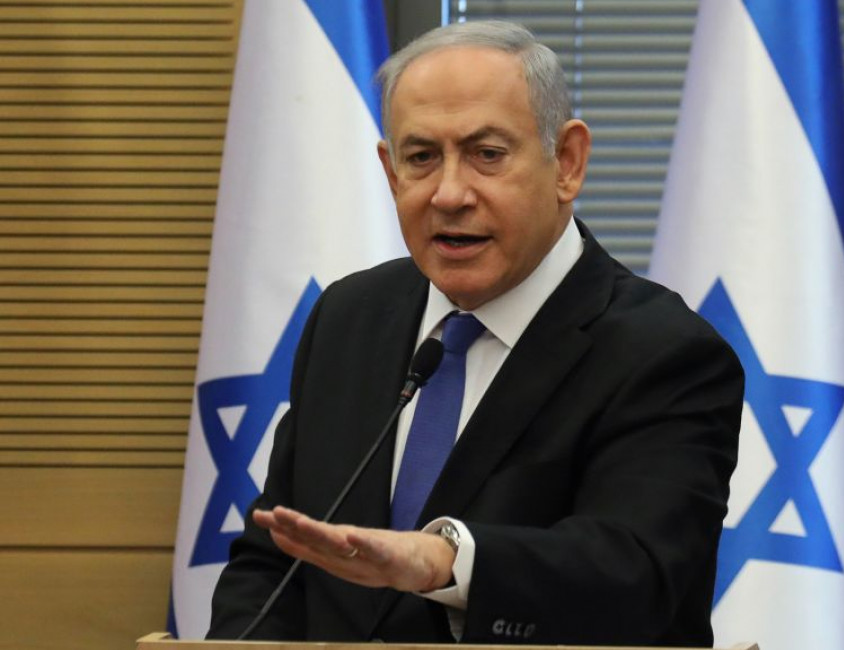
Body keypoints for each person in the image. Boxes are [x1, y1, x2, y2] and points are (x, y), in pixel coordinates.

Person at [208, 20, 743, 645]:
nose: (450, 193)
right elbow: (275, 558)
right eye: (421, 157)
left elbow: (637, 576)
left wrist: (447, 560)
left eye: (487, 154)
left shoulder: (664, 352)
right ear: (390, 171)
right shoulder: (348, 317)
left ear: (566, 162)